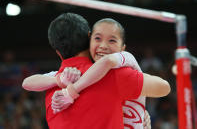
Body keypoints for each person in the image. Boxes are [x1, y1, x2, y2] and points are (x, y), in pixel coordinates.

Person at [22, 13, 170, 129]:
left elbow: (27, 83)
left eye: (111, 40)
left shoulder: (50, 89)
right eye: (98, 38)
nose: (103, 46)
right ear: (89, 38)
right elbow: (164, 88)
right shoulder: (113, 75)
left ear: (57, 52)